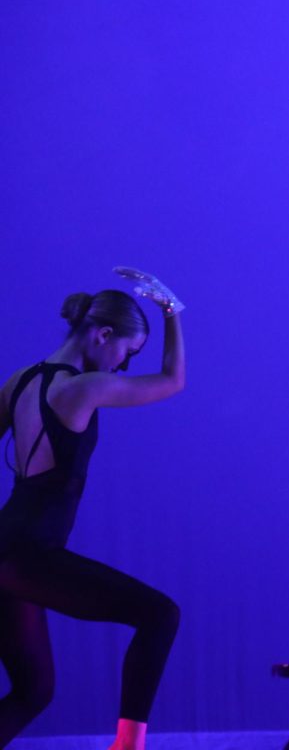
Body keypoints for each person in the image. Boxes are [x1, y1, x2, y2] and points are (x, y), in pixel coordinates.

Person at [0, 268, 186, 750]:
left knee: (34, 691)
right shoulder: (83, 388)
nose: (122, 368)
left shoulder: (20, 381)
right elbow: (172, 380)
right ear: (104, 335)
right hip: (28, 555)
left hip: (8, 550)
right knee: (160, 615)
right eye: (127, 354)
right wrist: (170, 309)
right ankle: (128, 746)